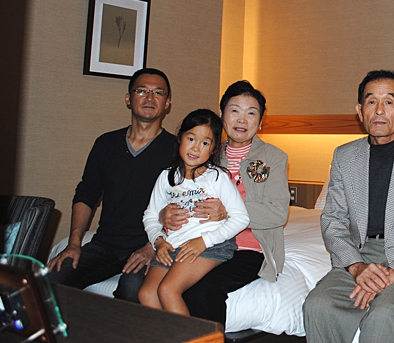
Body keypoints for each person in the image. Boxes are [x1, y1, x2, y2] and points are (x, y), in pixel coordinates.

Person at [302, 70, 394, 343]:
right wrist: (357, 267)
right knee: (318, 305)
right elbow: (333, 220)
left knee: (381, 317)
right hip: (360, 253)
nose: (379, 110)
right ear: (360, 111)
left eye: (389, 102)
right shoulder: (344, 156)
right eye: (371, 101)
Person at [160, 80, 290, 325]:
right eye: (235, 110)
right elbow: (179, 195)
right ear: (221, 116)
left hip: (248, 249)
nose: (242, 120)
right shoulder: (205, 152)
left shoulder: (273, 158)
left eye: (251, 113)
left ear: (261, 122)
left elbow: (277, 213)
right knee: (152, 284)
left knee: (202, 290)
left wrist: (228, 211)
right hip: (204, 242)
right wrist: (163, 216)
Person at [47, 68, 176, 301]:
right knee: (55, 277)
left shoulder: (177, 150)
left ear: (167, 103)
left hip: (149, 244)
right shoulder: (106, 144)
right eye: (142, 91)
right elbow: (86, 194)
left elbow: (183, 206)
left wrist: (152, 248)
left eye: (158, 92)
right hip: (105, 245)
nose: (150, 97)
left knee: (132, 289)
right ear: (128, 98)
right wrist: (74, 243)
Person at [139, 109, 250, 315]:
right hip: (171, 245)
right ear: (179, 137)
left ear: (214, 148)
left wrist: (204, 241)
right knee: (146, 294)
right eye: (191, 138)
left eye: (205, 143)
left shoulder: (216, 177)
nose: (196, 147)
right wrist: (158, 241)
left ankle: (193, 333)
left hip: (208, 246)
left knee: (168, 290)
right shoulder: (166, 177)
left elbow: (241, 218)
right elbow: (150, 216)